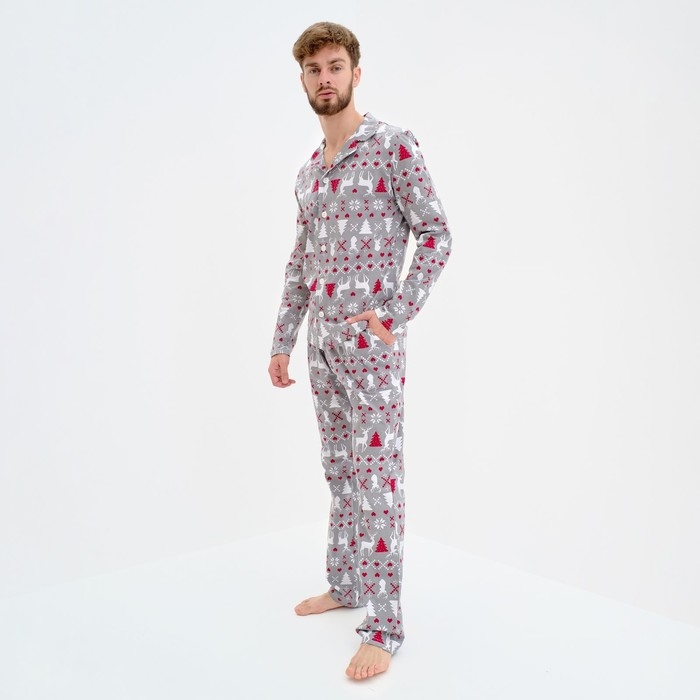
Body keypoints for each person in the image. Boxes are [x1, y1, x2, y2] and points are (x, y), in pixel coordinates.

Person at [268, 21, 452, 681]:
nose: (325, 78)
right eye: (314, 69)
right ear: (303, 80)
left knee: (378, 483)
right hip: (320, 346)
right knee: (341, 472)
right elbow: (299, 263)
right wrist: (283, 340)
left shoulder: (392, 146)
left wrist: (395, 314)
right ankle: (346, 585)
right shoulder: (308, 173)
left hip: (371, 347)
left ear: (355, 73)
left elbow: (435, 233)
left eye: (335, 66)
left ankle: (384, 626)